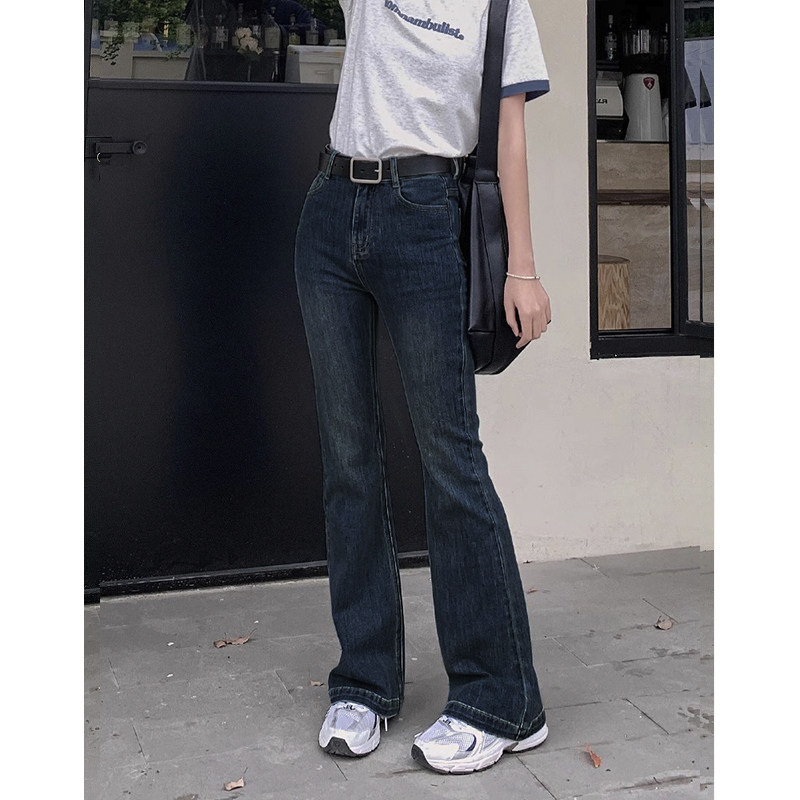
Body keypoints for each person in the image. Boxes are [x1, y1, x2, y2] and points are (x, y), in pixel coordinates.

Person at [293, 0, 552, 775]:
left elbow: (510, 138)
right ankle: (365, 681)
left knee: (450, 460)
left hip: (426, 217)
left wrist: (523, 269)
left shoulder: (502, 8)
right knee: (348, 460)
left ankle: (503, 699)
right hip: (332, 210)